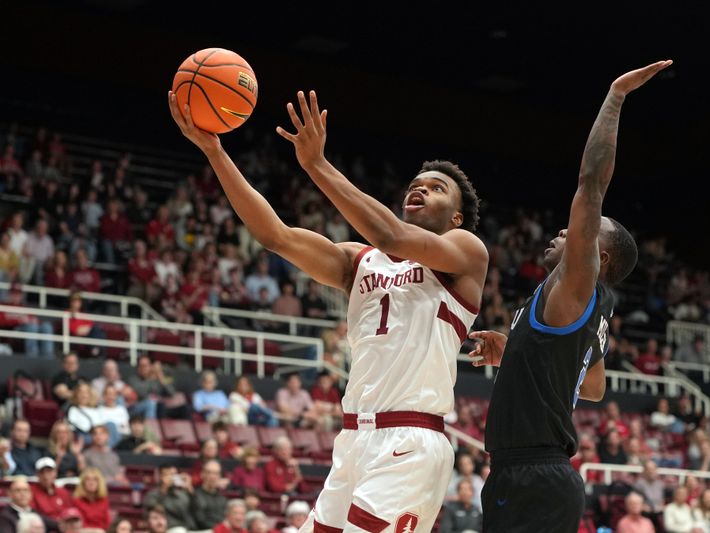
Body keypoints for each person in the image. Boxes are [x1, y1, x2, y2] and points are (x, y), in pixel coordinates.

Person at [170, 81, 487, 533]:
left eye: (436, 189)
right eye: (415, 185)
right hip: (354, 437)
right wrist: (215, 151)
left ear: (456, 217)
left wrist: (317, 165)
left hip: (411, 439)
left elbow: (392, 236)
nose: (420, 190)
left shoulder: (465, 251)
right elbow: (275, 235)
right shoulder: (358, 260)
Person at [468, 60, 672, 532]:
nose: (565, 230)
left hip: (532, 477)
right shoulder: (592, 307)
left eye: (581, 231)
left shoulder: (576, 285)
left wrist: (616, 95)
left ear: (596, 254)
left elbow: (591, 183)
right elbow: (595, 386)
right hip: (538, 475)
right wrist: (519, 350)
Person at [142, 465, 195, 531]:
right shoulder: (152, 495)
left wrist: (190, 490)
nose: (172, 478)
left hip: (188, 528)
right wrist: (164, 489)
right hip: (168, 528)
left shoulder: (182, 494)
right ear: (161, 476)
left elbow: (196, 512)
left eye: (174, 474)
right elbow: (157, 512)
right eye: (168, 475)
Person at [30, 457, 73, 527]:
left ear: (55, 473)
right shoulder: (31, 492)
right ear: (37, 474)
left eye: (49, 471)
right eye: (42, 472)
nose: (45, 476)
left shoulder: (63, 492)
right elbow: (33, 516)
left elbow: (71, 512)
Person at [190, 459, 228, 530]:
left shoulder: (222, 498)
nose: (212, 476)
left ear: (219, 476)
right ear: (202, 474)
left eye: (216, 473)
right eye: (209, 473)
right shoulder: (195, 495)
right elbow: (200, 521)